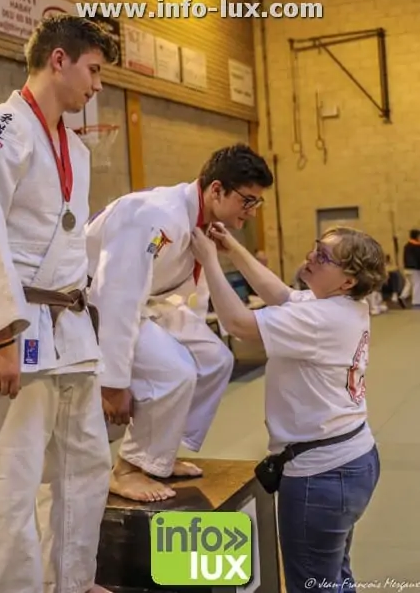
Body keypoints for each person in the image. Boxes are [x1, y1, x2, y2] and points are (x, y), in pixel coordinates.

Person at [0, 15, 118, 593]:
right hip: (19, 332)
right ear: (58, 60)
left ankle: (71, 582)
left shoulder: (76, 151)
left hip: (71, 334)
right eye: (94, 70)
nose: (98, 86)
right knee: (9, 484)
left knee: (85, 468)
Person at [190, 224, 386, 593]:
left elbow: (239, 324)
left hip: (322, 473)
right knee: (333, 575)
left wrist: (210, 261)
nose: (311, 257)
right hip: (351, 459)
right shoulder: (341, 305)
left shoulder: (322, 319)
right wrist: (233, 247)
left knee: (311, 583)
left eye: (324, 257)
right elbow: (280, 294)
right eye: (317, 248)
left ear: (347, 281)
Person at [85, 144, 273, 502]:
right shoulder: (156, 216)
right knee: (176, 371)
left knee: (216, 360)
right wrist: (114, 381)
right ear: (216, 189)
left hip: (149, 303)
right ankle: (127, 469)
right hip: (98, 303)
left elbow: (193, 292)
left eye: (256, 203)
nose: (251, 212)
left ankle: (160, 452)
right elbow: (117, 294)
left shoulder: (201, 223)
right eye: (247, 201)